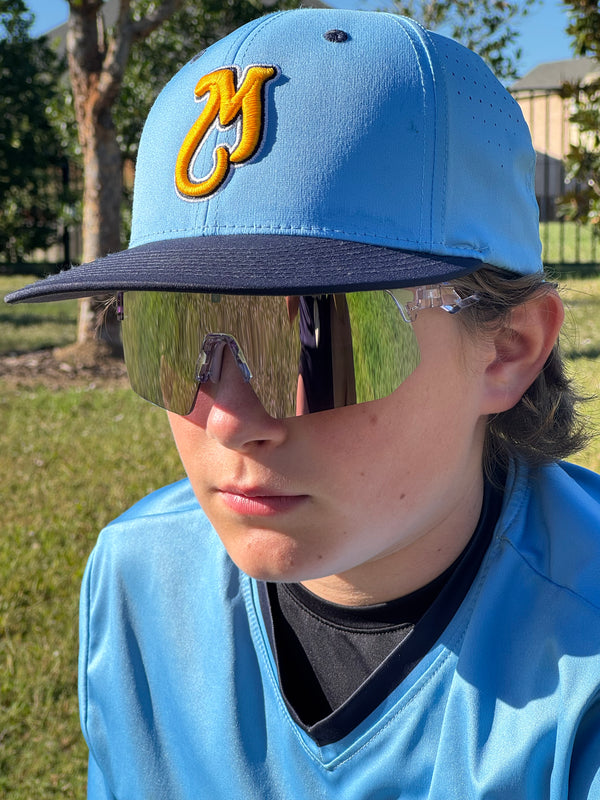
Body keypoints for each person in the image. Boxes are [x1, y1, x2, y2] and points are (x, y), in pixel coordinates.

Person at [6, 8, 600, 799]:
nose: (228, 416)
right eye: (170, 336)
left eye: (318, 336)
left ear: (508, 348)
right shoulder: (137, 577)